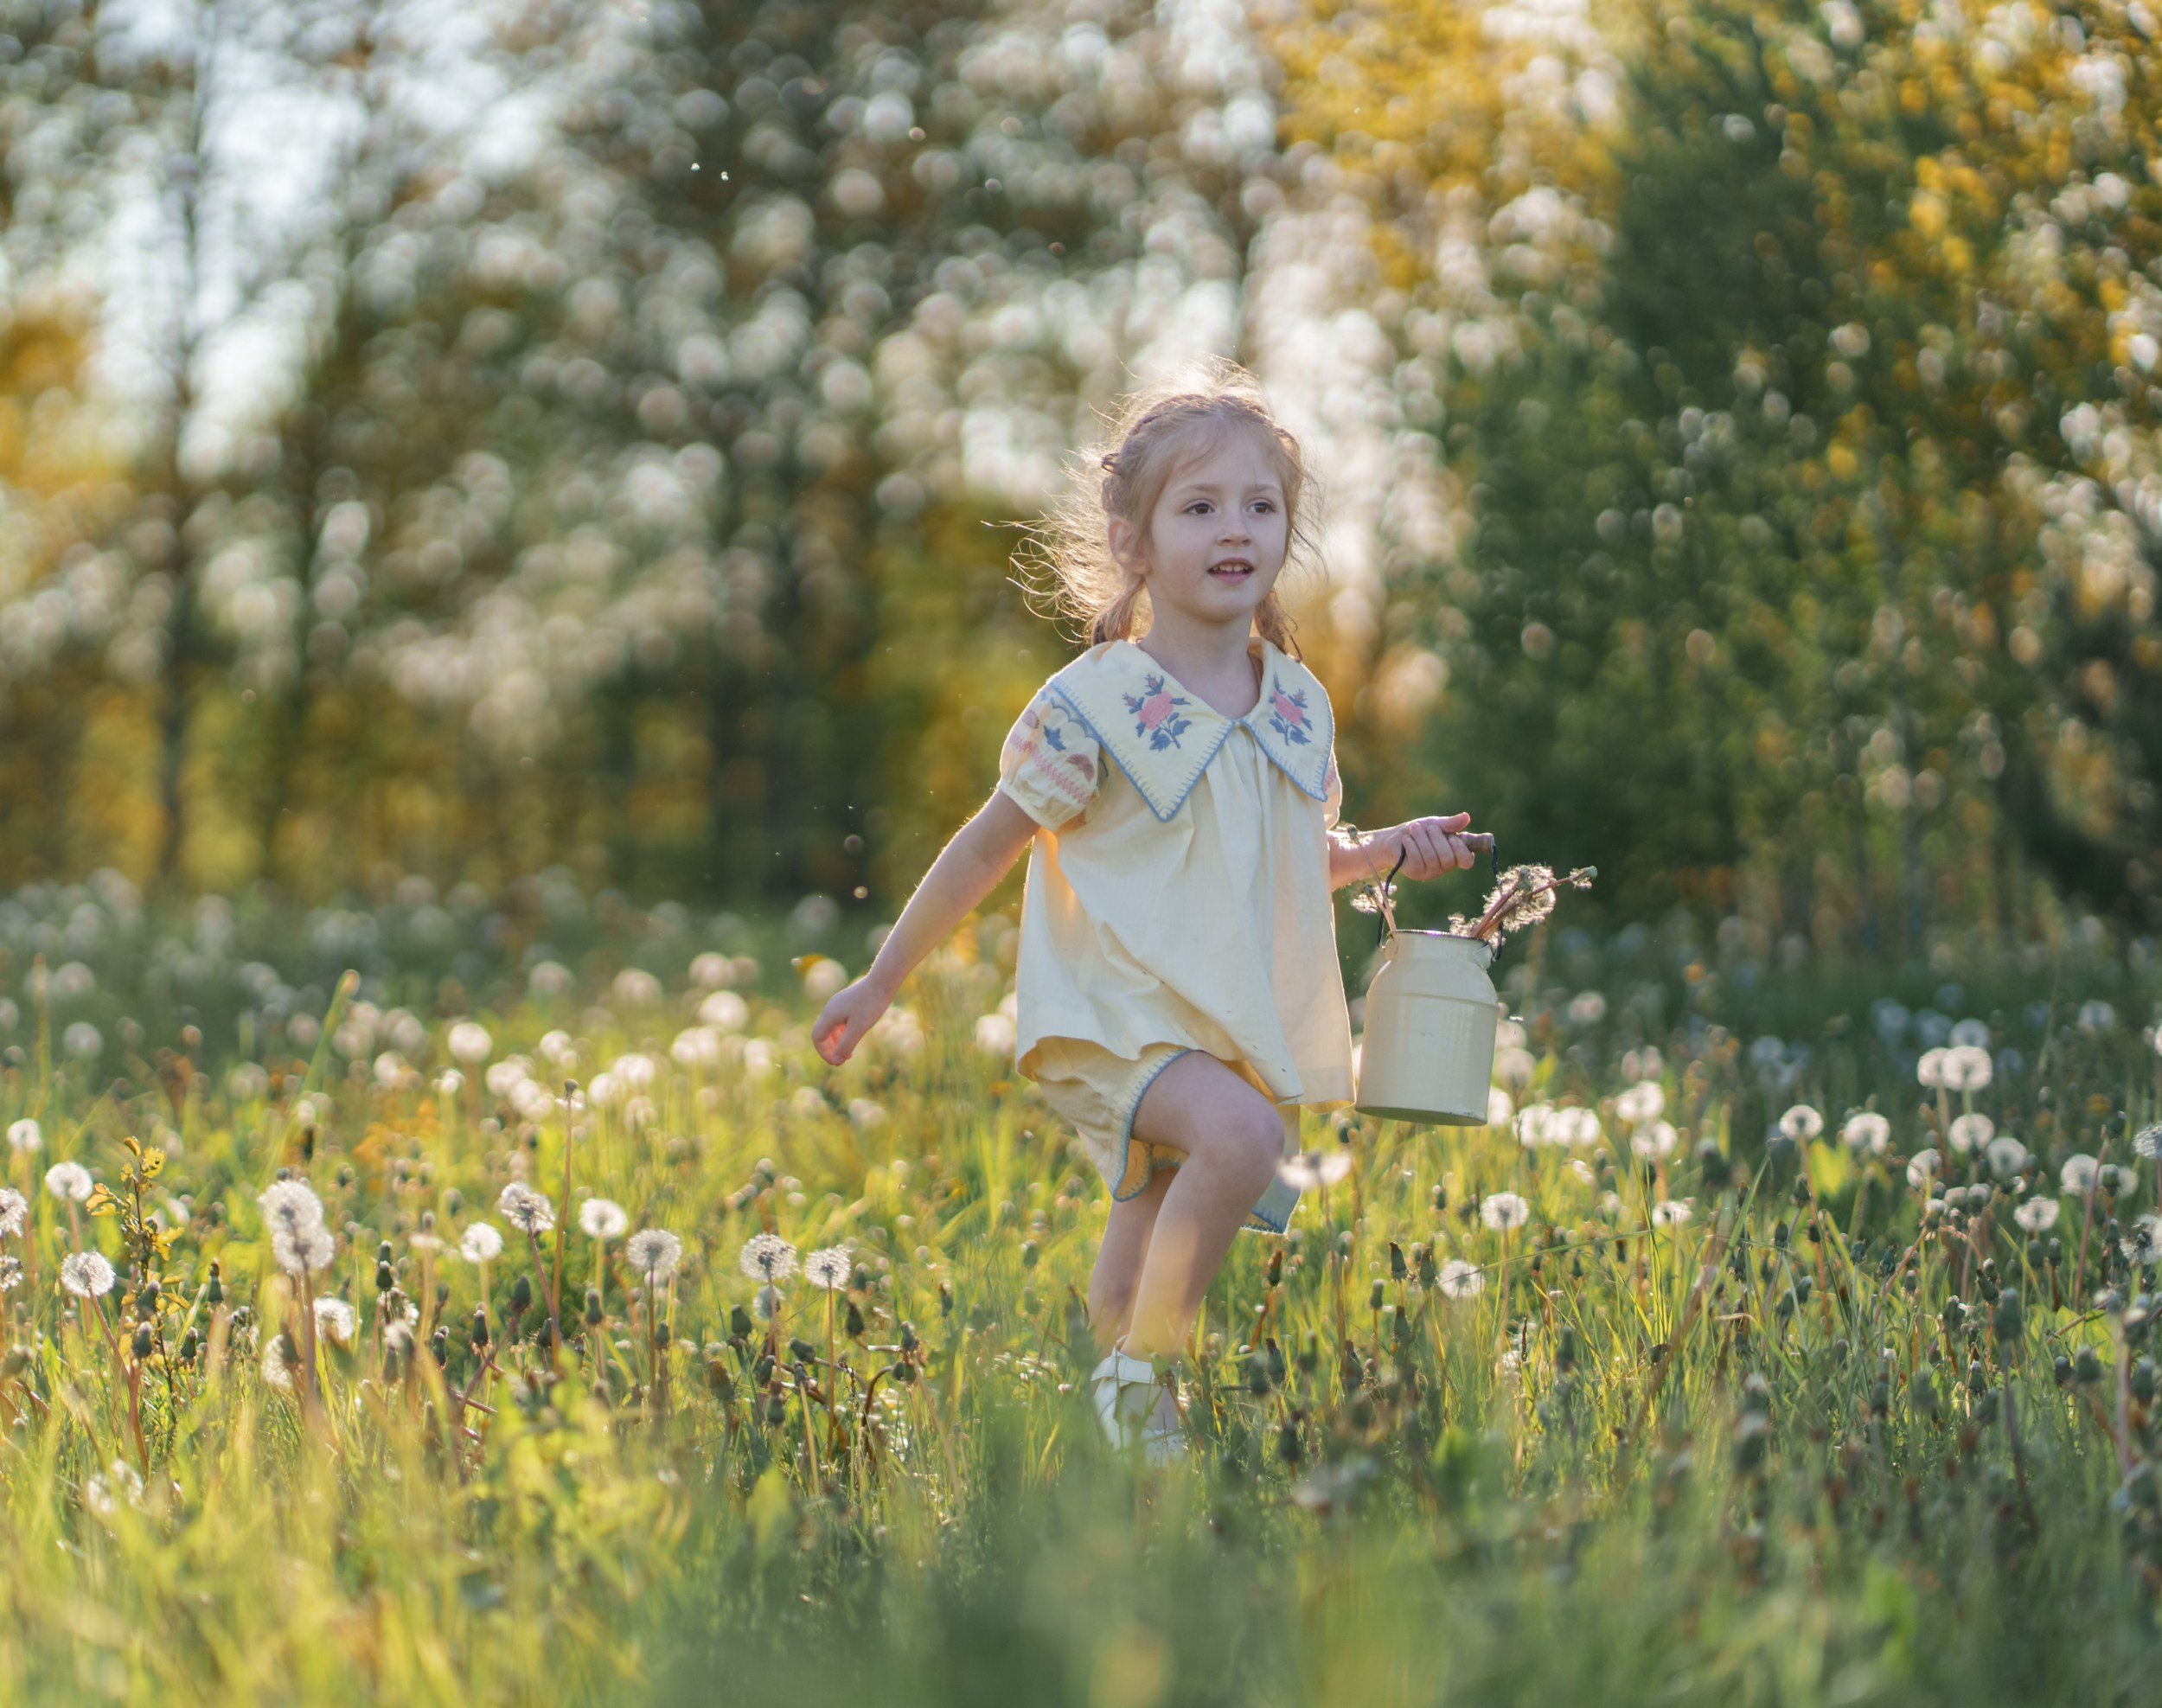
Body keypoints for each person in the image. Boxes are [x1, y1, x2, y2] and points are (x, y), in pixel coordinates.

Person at [812, 362, 1479, 1460]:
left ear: (1287, 532)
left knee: (1148, 1217)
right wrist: (883, 979)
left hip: (1217, 1016)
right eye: (1200, 506)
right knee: (1246, 1138)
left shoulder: (1296, 703)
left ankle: (1113, 1432)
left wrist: (1383, 854)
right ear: (1135, 540)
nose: (1236, 529)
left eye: (1261, 506)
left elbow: (1284, 863)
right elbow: (987, 845)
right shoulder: (1095, 709)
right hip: (1114, 1009)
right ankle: (1143, 1378)